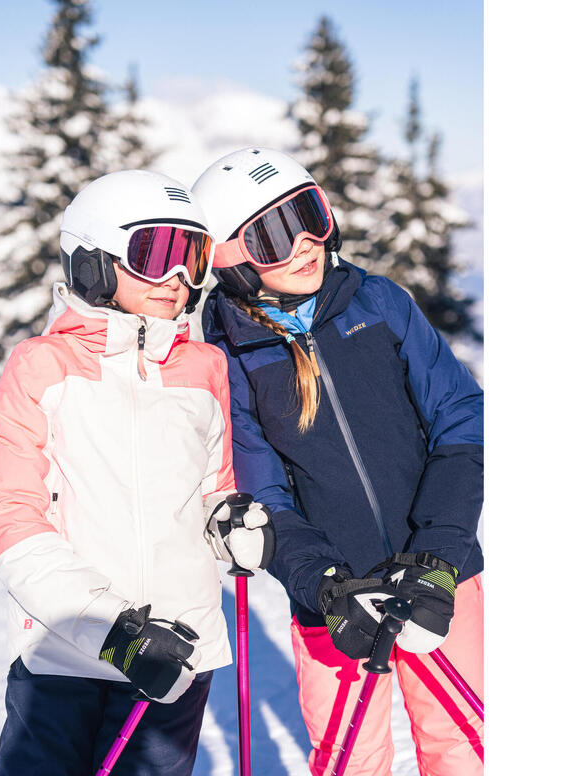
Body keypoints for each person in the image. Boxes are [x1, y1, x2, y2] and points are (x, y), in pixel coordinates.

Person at [192, 147, 483, 776]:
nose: (303, 243)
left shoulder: (378, 304)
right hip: (336, 597)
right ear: (232, 261)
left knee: (462, 741)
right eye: (271, 234)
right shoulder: (228, 359)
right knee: (351, 758)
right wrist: (323, 585)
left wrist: (440, 555)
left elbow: (461, 418)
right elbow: (263, 491)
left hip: (442, 574)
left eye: (309, 215)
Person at [0, 169, 274, 776]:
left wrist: (230, 520)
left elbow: (211, 488)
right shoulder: (42, 366)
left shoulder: (203, 367)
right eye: (156, 253)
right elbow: (9, 515)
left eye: (192, 257)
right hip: (65, 653)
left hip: (176, 653)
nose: (179, 278)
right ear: (95, 260)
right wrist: (111, 631)